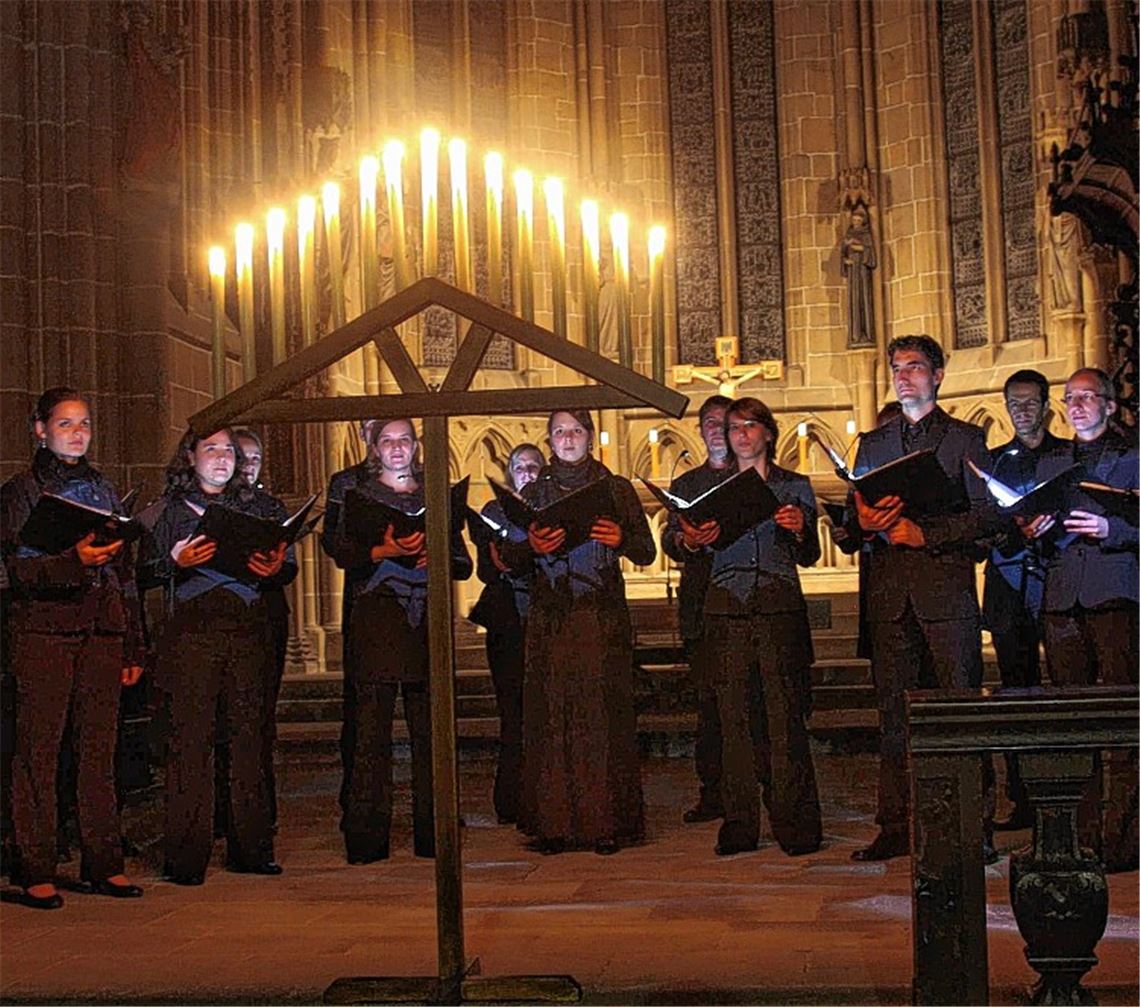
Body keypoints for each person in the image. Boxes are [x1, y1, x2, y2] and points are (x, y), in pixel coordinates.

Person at [843, 335, 998, 862]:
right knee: (895, 716)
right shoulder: (872, 443)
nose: (903, 376)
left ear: (937, 376)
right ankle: (895, 826)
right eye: (896, 368)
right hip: (890, 596)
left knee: (958, 710)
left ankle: (973, 827)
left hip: (944, 593)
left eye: (914, 367)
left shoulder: (966, 439)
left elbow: (988, 518)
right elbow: (850, 520)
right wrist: (861, 521)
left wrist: (925, 534)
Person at [0, 388, 145, 908]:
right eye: (65, 424)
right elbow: (15, 571)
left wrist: (132, 643)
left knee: (97, 752)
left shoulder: (103, 487)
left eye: (84, 423)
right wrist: (74, 560)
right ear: (39, 428)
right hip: (43, 632)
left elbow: (124, 576)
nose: (78, 433)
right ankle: (34, 866)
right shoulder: (21, 491)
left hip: (100, 632)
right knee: (38, 753)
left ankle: (103, 862)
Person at [501, 410, 655, 855]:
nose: (568, 439)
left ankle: (604, 823)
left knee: (600, 718)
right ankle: (553, 824)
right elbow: (509, 556)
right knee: (551, 716)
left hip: (599, 613)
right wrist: (531, 546)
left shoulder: (615, 488)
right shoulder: (535, 491)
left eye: (576, 431)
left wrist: (619, 539)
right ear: (550, 440)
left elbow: (646, 550)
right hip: (550, 615)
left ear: (590, 436)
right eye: (559, 432)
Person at [141, 427, 288, 885]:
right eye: (212, 450)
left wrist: (278, 566)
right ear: (190, 456)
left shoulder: (261, 508)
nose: (223, 458)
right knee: (190, 746)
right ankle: (186, 857)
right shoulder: (165, 513)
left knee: (249, 742)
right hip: (190, 637)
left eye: (229, 450)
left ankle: (252, 848)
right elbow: (142, 571)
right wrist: (175, 563)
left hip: (248, 633)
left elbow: (288, 562)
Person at [323, 418, 472, 863]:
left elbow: (462, 563)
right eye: (387, 440)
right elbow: (338, 548)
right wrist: (383, 552)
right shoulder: (356, 493)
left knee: (432, 737)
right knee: (370, 736)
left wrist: (438, 552)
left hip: (426, 628)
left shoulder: (434, 491)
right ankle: (368, 840)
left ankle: (434, 837)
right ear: (373, 446)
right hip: (375, 625)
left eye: (404, 440)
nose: (396, 448)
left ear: (415, 446)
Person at [688, 397, 822, 856]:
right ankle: (739, 824)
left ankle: (795, 825)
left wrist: (801, 528)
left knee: (785, 719)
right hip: (725, 608)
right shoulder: (711, 488)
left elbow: (809, 556)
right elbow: (679, 541)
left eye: (749, 425)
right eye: (733, 427)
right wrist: (691, 538)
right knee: (734, 720)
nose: (741, 434)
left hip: (778, 605)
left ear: (768, 431)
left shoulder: (795, 485)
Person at [1023, 367, 1138, 873]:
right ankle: (1082, 835)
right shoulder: (1052, 460)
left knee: (1122, 723)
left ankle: (1126, 840)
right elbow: (1041, 525)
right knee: (1072, 724)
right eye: (1069, 398)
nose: (1076, 405)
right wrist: (1036, 526)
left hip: (1114, 596)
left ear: (1110, 405)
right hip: (1063, 597)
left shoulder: (1133, 455)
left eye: (1087, 396)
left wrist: (1110, 526)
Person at [982, 370, 1062, 831]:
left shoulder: (1064, 457)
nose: (1023, 410)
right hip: (1009, 590)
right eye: (1015, 403)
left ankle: (1065, 797)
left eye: (1031, 402)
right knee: (1016, 695)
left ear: (1047, 406)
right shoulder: (994, 463)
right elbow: (984, 525)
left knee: (1066, 692)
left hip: (1055, 587)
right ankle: (1023, 798)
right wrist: (1012, 528)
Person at [660, 395, 734, 824]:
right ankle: (713, 792)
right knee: (708, 706)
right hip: (701, 605)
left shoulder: (750, 475)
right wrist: (687, 540)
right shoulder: (687, 484)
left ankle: (754, 786)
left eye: (724, 421)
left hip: (743, 602)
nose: (715, 428)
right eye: (708, 421)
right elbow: (670, 538)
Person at [467, 443, 545, 825]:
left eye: (533, 466)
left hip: (545, 620)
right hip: (508, 623)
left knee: (543, 711)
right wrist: (503, 557)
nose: (527, 472)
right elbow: (486, 570)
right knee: (511, 711)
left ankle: (543, 794)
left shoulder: (548, 508)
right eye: (520, 467)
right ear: (510, 472)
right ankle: (510, 798)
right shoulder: (494, 512)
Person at [320, 419, 380, 814]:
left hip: (416, 610)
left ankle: (436, 814)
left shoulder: (426, 481)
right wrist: (372, 550)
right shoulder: (345, 483)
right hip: (364, 605)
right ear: (363, 433)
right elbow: (332, 541)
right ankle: (361, 812)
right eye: (376, 429)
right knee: (361, 718)